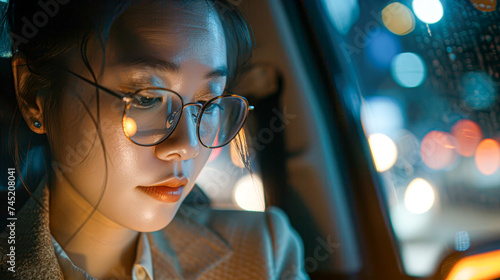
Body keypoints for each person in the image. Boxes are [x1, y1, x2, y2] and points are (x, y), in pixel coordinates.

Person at [0, 0, 309, 279]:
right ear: (32, 95)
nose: (187, 146)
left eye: (208, 104)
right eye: (147, 98)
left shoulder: (262, 253)